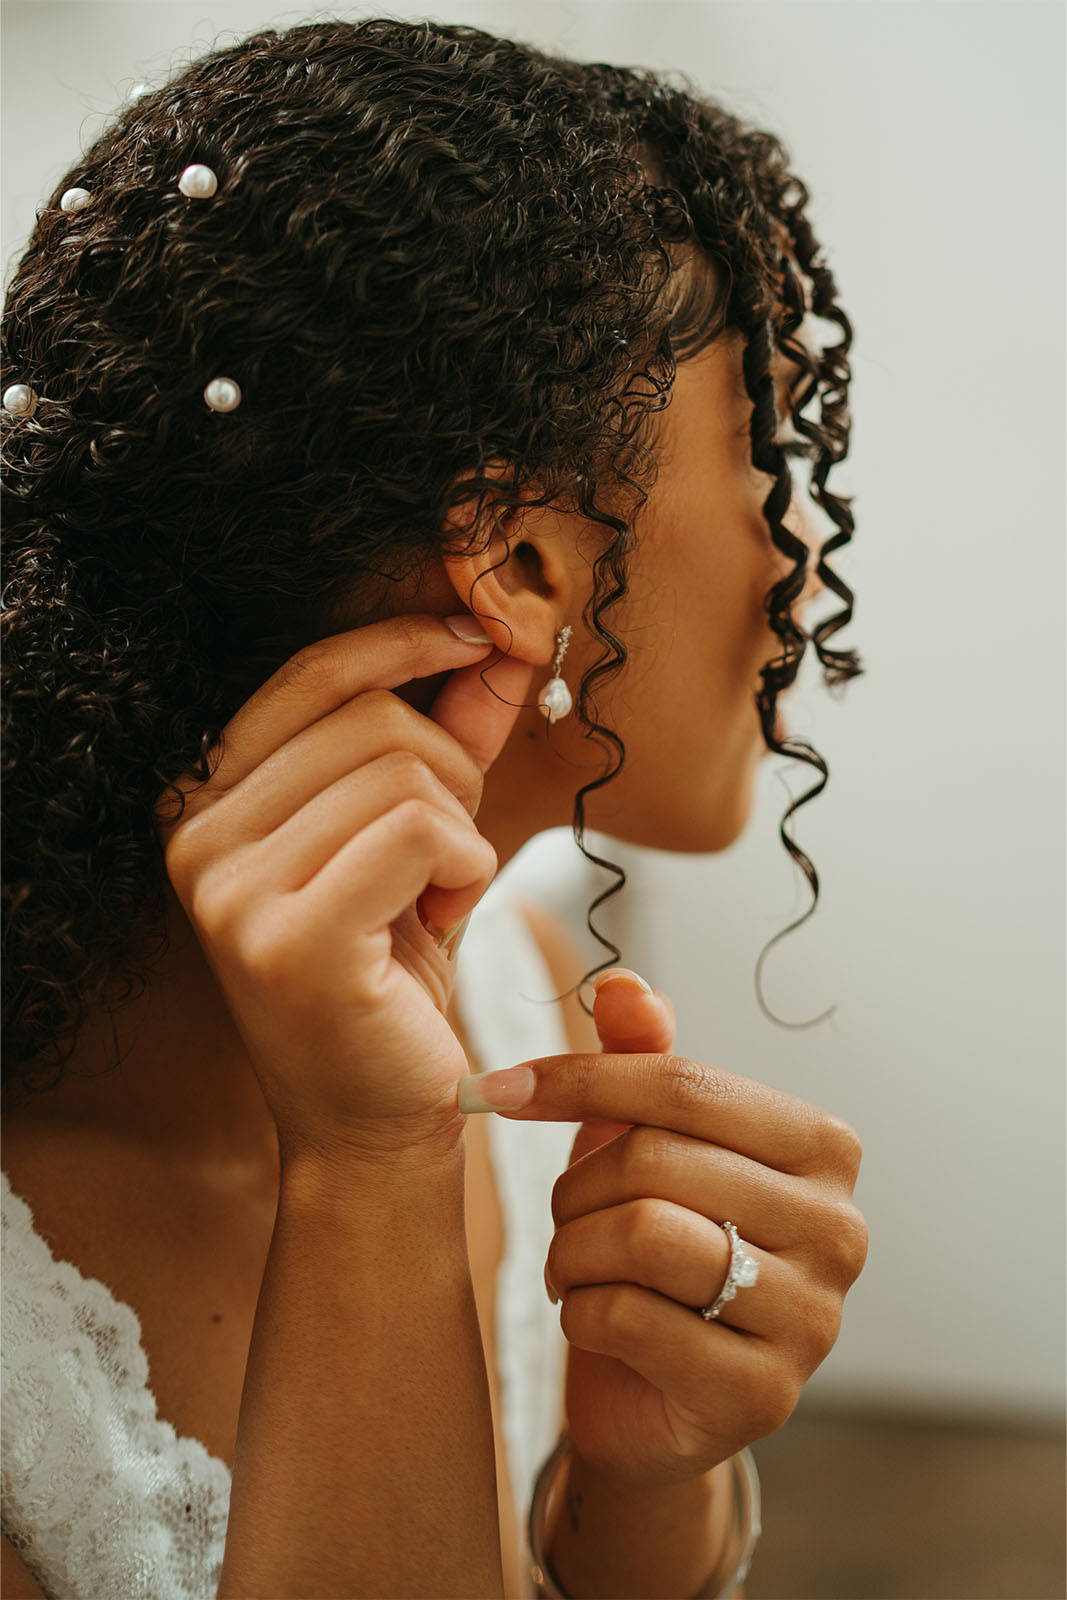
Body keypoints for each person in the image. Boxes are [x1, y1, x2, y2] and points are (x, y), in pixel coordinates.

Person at [0, 16, 869, 1599]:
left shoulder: (515, 974)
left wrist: (644, 1493)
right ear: (524, 562)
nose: (802, 565)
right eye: (770, 466)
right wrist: (375, 1168)